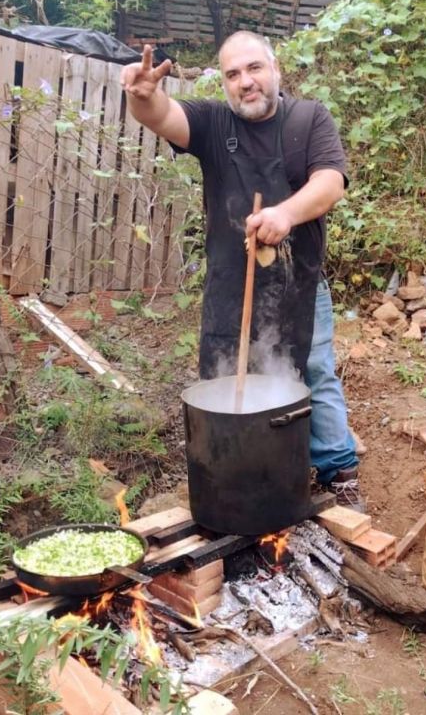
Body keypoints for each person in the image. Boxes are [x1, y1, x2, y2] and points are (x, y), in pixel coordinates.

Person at [121, 31, 364, 511]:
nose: (245, 82)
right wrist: (143, 98)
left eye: (254, 68)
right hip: (231, 285)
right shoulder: (213, 123)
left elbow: (331, 181)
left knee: (314, 371)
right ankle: (248, 470)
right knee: (227, 373)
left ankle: (339, 471)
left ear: (275, 69)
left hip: (300, 281)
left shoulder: (308, 119)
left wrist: (285, 214)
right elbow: (162, 116)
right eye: (232, 74)